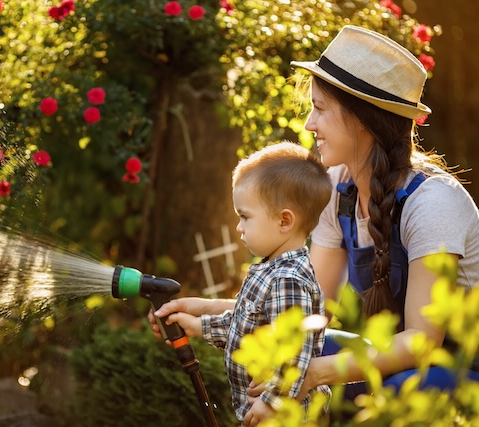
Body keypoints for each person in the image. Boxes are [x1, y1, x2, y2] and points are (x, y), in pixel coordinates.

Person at [151, 24, 479, 411]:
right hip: (393, 360)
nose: (309, 124)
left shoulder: (432, 204)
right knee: (288, 344)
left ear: (363, 119)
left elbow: (422, 342)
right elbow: (307, 308)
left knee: (398, 390)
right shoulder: (338, 189)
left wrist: (313, 374)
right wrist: (206, 309)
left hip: (456, 369)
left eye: (319, 109)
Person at [153, 141, 333, 426]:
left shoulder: (287, 280)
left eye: (245, 217)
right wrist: (198, 325)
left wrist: (271, 403)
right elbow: (248, 326)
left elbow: (294, 356)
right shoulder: (271, 270)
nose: (239, 227)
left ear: (284, 221)